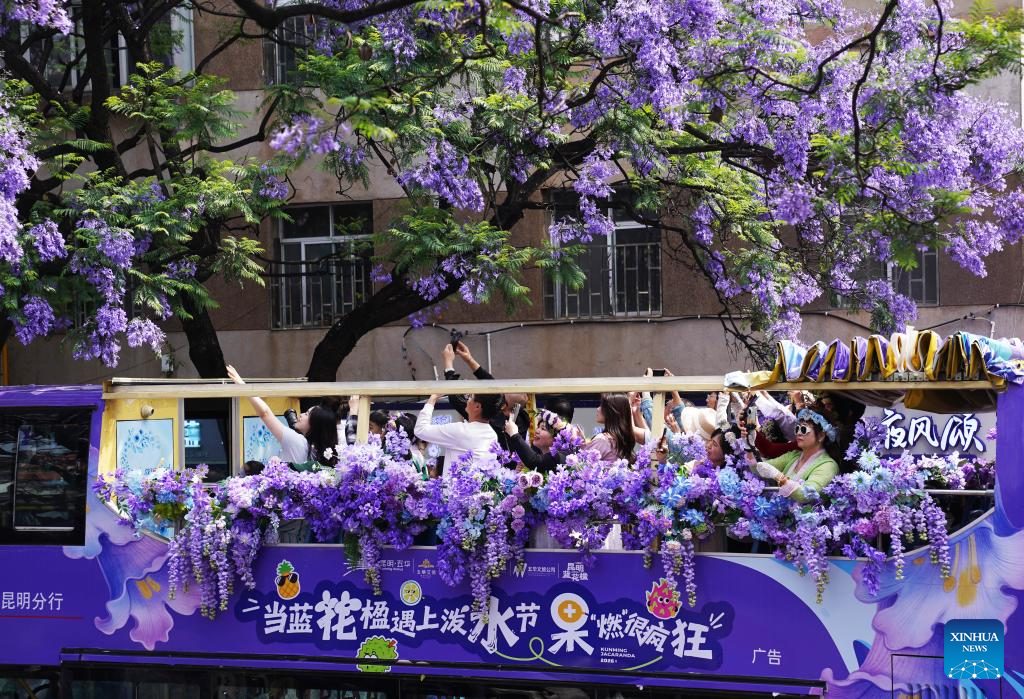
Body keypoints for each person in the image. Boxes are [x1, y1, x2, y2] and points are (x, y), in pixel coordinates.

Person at [226, 365, 338, 467]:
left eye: (307, 414)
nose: (302, 414)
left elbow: (265, 413)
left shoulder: (297, 441)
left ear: (314, 425)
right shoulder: (323, 456)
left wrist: (242, 385)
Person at [441, 342, 530, 449]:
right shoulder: (518, 418)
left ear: (506, 408)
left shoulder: (496, 423)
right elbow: (492, 384)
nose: (497, 395)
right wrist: (469, 359)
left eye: (501, 395)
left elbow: (455, 398)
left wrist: (448, 364)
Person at [747, 407, 839, 502]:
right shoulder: (794, 455)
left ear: (821, 436)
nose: (798, 433)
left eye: (804, 429)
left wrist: (779, 477)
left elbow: (805, 495)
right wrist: (748, 446)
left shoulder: (828, 466)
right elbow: (758, 469)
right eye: (797, 428)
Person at [414, 393, 499, 473]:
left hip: (456, 487)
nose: (467, 400)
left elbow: (421, 429)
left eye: (470, 397)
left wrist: (433, 398)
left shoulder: (461, 430)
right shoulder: (492, 435)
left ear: (477, 406)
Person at [503, 398, 576, 472]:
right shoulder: (537, 451)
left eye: (543, 428)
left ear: (557, 437)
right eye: (538, 427)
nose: (537, 430)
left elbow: (535, 462)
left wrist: (514, 434)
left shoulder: (561, 456)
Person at [590, 393, 647, 463]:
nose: (598, 409)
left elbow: (582, 465)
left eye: (602, 406)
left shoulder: (602, 440)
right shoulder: (620, 438)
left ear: (612, 411)